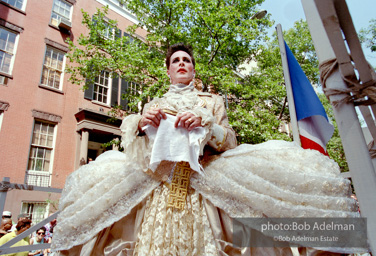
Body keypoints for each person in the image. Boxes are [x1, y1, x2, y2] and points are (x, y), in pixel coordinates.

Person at [52, 43, 360, 255]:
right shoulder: (153, 105)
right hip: (160, 187)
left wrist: (207, 125)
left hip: (204, 182)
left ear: (193, 69)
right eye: (176, 61)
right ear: (169, 71)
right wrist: (139, 125)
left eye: (186, 60)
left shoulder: (212, 102)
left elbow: (230, 140)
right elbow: (143, 157)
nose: (182, 64)